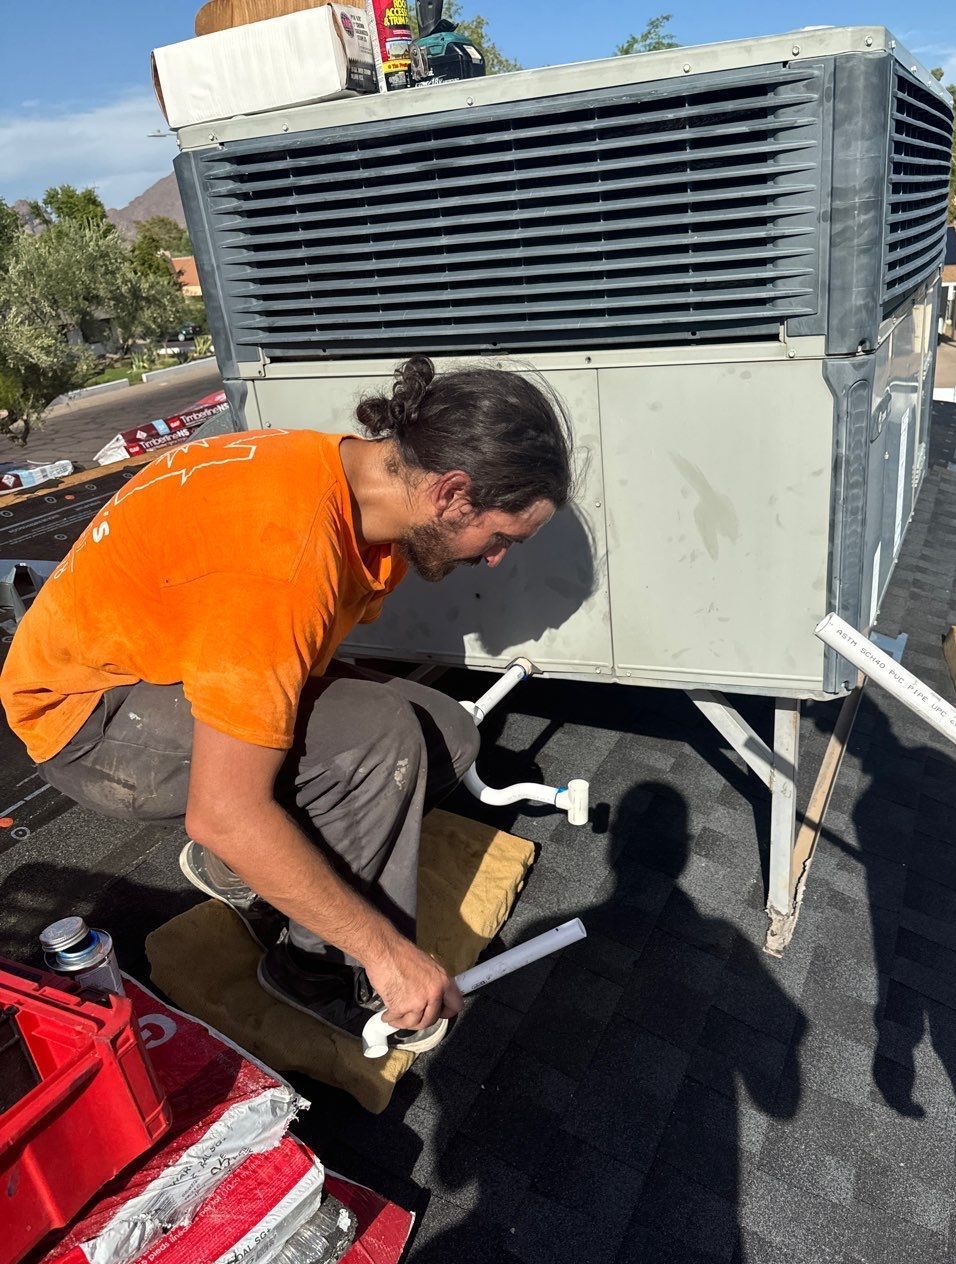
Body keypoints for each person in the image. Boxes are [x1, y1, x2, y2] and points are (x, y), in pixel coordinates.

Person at [0, 357, 573, 1052]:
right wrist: (388, 954)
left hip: (163, 664)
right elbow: (223, 809)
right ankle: (312, 972)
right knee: (376, 743)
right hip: (87, 718)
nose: (496, 561)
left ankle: (244, 875)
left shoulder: (345, 484)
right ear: (452, 494)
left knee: (445, 736)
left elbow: (276, 653)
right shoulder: (284, 550)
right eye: (501, 538)